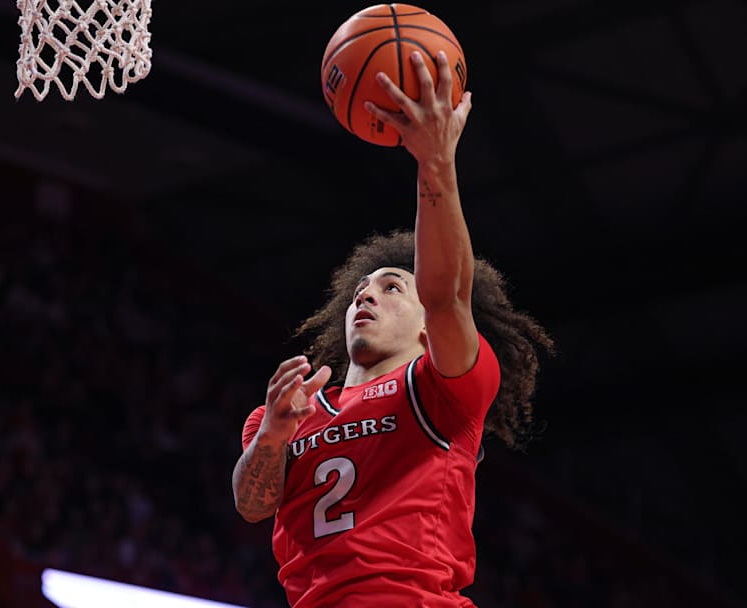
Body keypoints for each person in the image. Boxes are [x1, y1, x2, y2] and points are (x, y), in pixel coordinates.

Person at [231, 49, 554, 607]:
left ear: (428, 328)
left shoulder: (442, 389)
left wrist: (435, 164)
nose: (367, 295)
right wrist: (272, 436)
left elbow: (447, 293)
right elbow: (252, 505)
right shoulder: (289, 411)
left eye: (391, 287)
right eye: (361, 290)